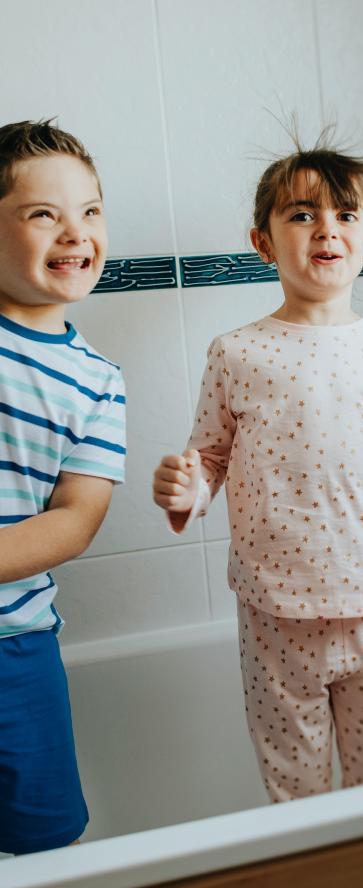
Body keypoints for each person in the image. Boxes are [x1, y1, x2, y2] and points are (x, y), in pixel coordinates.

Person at [152, 138, 363, 803]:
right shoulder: (238, 353)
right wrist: (185, 489)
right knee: (295, 797)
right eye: (302, 214)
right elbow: (211, 458)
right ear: (264, 241)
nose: (326, 228)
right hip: (274, 619)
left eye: (343, 214)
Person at [0, 120, 126, 852]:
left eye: (90, 210)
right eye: (43, 213)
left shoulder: (97, 382)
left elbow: (75, 520)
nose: (75, 232)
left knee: (44, 839)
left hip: (18, 646)